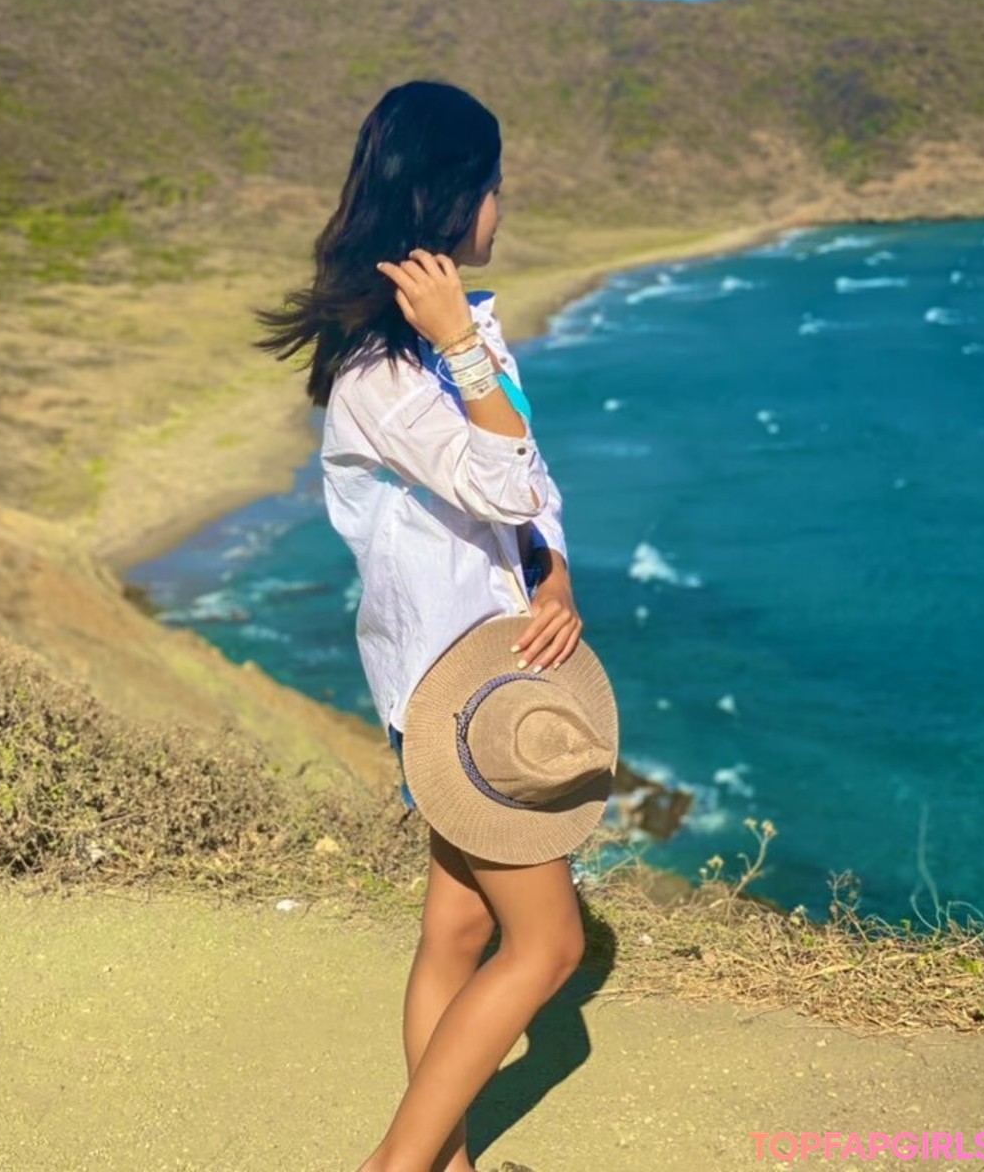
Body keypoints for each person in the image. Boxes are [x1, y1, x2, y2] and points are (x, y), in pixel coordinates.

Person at [253, 80, 590, 1172]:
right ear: (454, 196)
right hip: (455, 697)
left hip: (493, 666)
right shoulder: (384, 373)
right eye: (494, 183)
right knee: (550, 946)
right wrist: (464, 349)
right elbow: (501, 479)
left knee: (459, 929)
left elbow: (533, 487)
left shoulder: (463, 334)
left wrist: (555, 574)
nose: (502, 203)